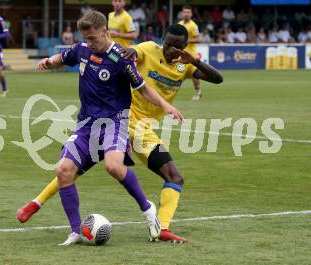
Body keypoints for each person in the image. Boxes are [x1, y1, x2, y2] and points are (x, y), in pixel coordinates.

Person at [17, 23, 223, 244]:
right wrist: (125, 52)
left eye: (177, 47)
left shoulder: (186, 65)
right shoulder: (149, 49)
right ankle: (36, 204)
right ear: (163, 40)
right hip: (120, 120)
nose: (171, 50)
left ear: (185, 47)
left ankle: (161, 228)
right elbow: (132, 52)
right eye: (168, 44)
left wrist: (194, 61)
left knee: (174, 177)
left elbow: (217, 79)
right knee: (71, 169)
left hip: (143, 130)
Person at [178, 5, 202, 101]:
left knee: (194, 75)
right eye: (185, 12)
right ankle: (169, 92)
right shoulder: (180, 23)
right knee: (177, 75)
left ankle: (198, 92)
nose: (186, 14)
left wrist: (187, 40)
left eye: (188, 12)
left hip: (192, 55)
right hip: (181, 55)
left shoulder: (193, 25)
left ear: (191, 14)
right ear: (182, 13)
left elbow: (199, 39)